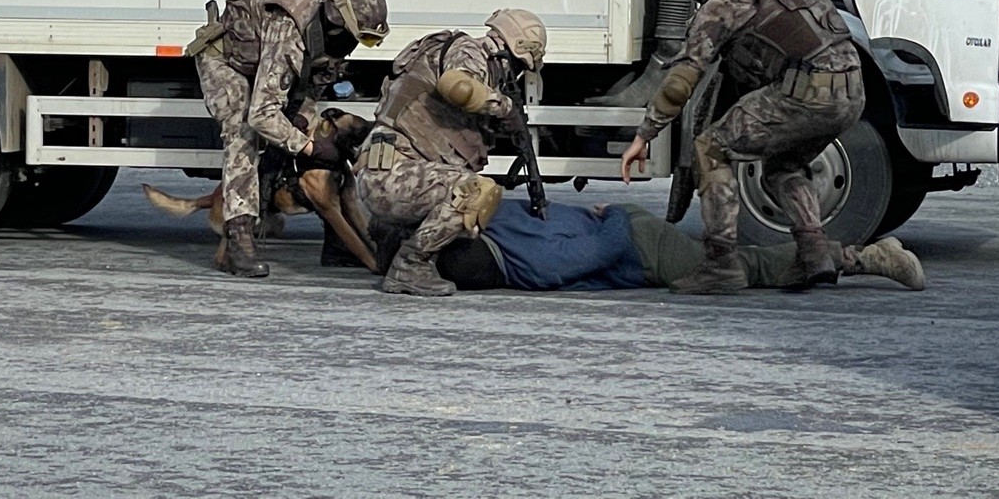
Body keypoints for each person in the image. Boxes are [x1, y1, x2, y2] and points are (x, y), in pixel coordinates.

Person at [620, 0, 864, 294]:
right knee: (782, 167)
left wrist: (644, 136)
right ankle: (815, 254)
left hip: (808, 91)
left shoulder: (723, 3)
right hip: (852, 90)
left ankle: (720, 264)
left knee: (710, 148)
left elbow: (678, 85)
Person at [185, 0, 389, 278]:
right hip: (227, 62)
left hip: (263, 62)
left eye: (369, 41)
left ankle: (338, 245)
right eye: (361, 37)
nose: (358, 45)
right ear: (340, 21)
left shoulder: (331, 36)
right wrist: (307, 146)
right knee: (243, 135)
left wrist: (302, 121)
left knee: (295, 130)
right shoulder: (289, 30)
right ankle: (239, 240)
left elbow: (310, 89)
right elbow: (263, 114)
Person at [356, 9, 547, 297]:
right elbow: (457, 87)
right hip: (390, 176)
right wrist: (505, 108)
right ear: (511, 48)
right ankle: (410, 265)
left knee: (462, 191)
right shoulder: (470, 50)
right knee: (476, 191)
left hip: (390, 174)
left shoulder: (477, 60)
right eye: (519, 65)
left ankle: (391, 242)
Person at [372, 200, 925, 293]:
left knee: (741, 268)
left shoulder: (499, 252)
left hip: (632, 241)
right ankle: (859, 255)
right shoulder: (473, 216)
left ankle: (863, 259)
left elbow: (561, 267)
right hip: (624, 234)